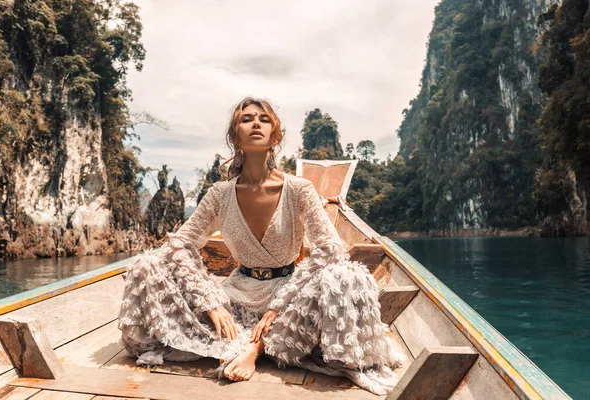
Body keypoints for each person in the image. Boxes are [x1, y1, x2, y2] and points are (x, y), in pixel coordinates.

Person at [118, 97, 405, 395]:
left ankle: (254, 348)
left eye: (264, 119)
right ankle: (251, 341)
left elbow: (330, 249)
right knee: (147, 265)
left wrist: (278, 307)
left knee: (347, 276)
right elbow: (179, 246)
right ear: (235, 136)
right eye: (246, 119)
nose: (255, 122)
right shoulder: (220, 194)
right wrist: (211, 303)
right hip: (237, 297)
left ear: (275, 136)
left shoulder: (298, 189)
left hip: (290, 299)